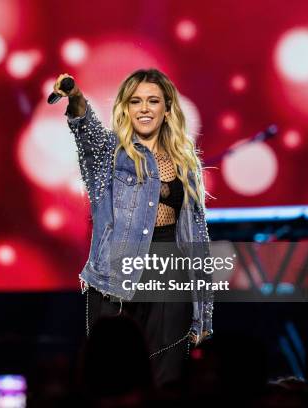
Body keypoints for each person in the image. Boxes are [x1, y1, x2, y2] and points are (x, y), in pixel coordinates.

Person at [54, 69, 213, 389]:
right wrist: (75, 96)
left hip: (172, 273)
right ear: (125, 108)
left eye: (153, 101)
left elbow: (198, 234)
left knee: (167, 381)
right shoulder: (109, 153)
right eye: (136, 101)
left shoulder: (185, 161)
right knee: (113, 381)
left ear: (167, 108)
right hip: (117, 276)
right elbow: (87, 129)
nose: (144, 108)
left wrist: (203, 311)